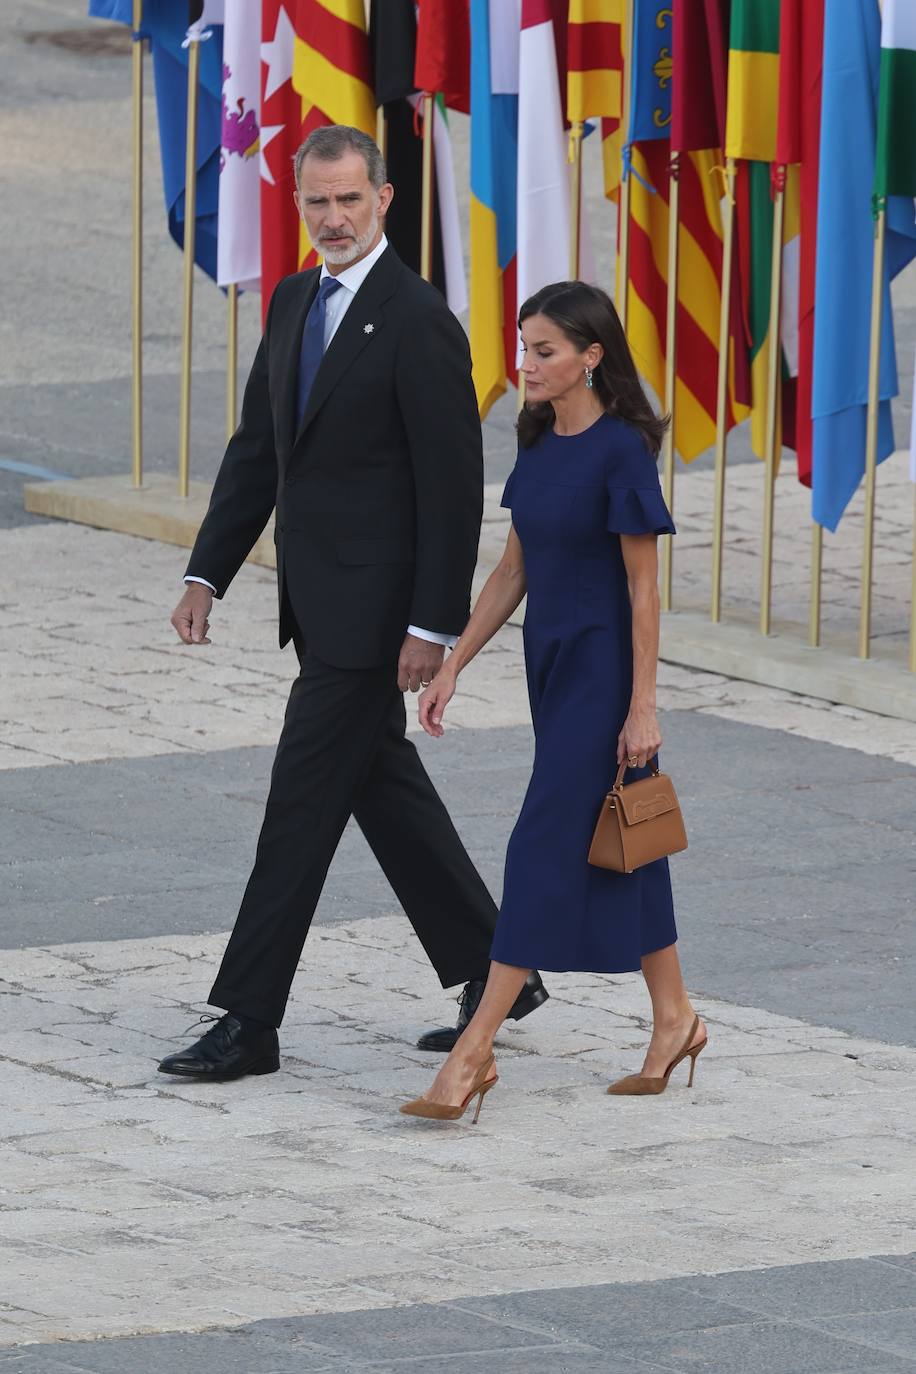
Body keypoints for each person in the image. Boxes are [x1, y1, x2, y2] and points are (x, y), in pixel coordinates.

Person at [158, 126, 546, 1083]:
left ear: (383, 199)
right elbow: (261, 448)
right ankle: (501, 966)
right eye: (315, 203)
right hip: (316, 602)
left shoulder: (419, 321)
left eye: (348, 200)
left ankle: (248, 1019)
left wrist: (430, 627)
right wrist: (208, 570)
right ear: (300, 206)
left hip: (374, 621)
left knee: (299, 807)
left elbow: (452, 489)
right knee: (381, 785)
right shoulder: (293, 299)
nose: (332, 219)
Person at [400, 281, 706, 1124]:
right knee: (627, 835)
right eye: (524, 346)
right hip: (553, 666)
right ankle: (675, 1018)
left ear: (591, 357)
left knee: (540, 847)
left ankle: (473, 1053)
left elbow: (645, 592)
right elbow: (513, 569)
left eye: (545, 351)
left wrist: (643, 707)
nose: (526, 364)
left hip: (606, 673)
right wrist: (456, 662)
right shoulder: (538, 441)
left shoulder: (620, 451)